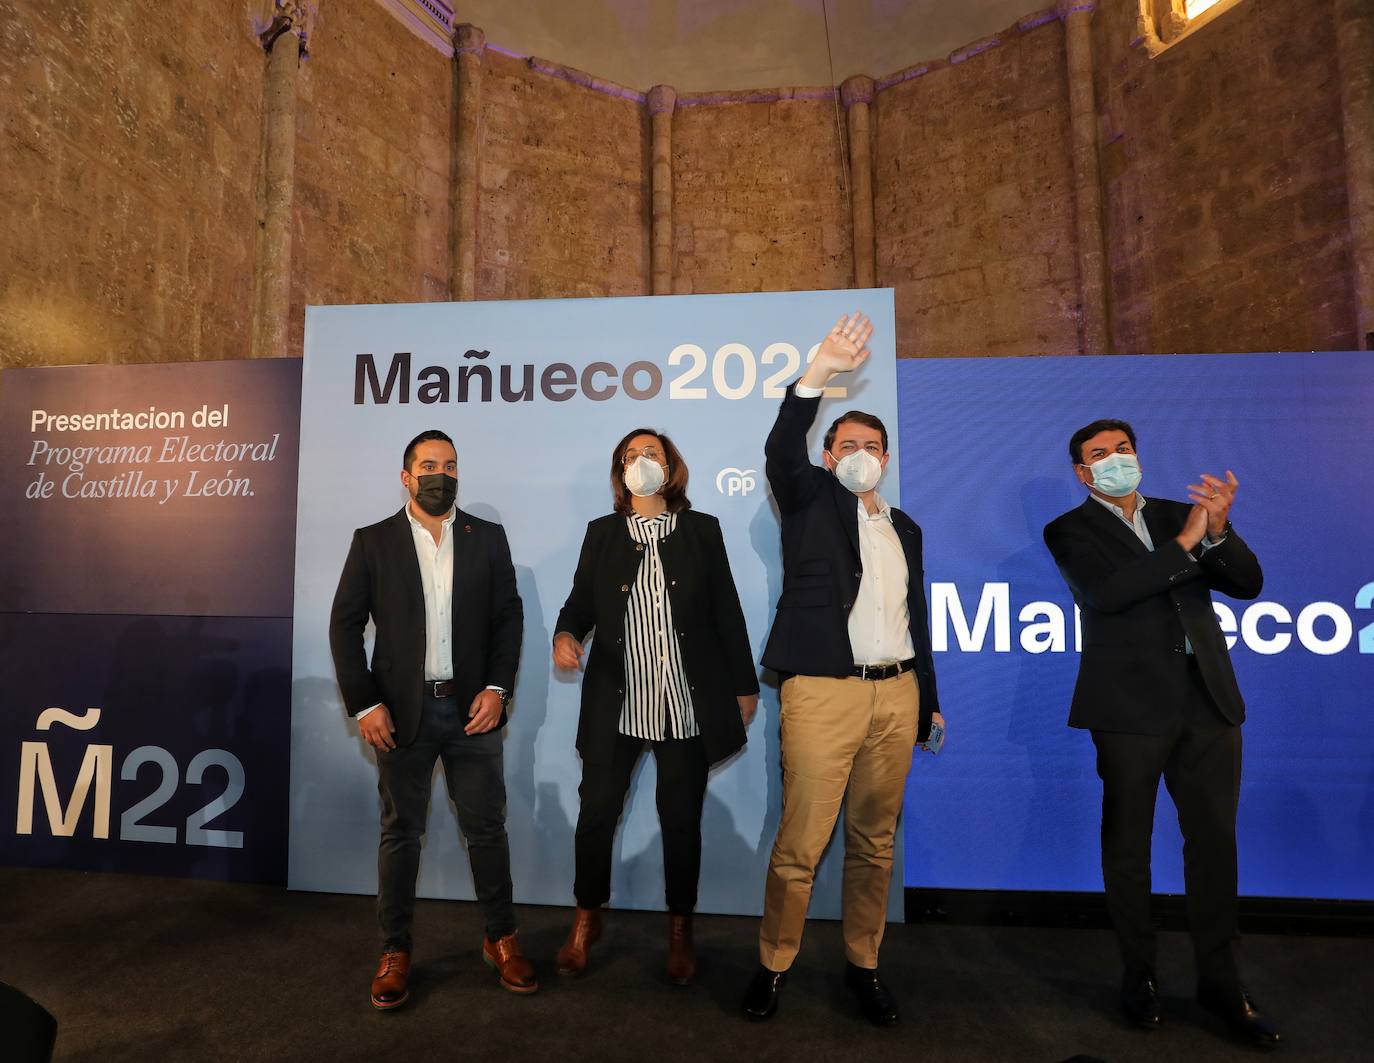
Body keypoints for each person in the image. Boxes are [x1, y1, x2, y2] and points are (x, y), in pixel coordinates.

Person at [1042, 419, 1280, 1048]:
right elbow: (1110, 593)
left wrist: (1218, 530)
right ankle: (1139, 977)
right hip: (1127, 711)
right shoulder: (1069, 530)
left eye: (1123, 449)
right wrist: (1185, 547)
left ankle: (1224, 984)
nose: (1116, 459)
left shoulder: (1184, 512)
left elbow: (1248, 584)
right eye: (1100, 455)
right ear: (1082, 472)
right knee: (1128, 849)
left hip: (1207, 703)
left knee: (1214, 845)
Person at [741, 313, 943, 1027]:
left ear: (887, 459)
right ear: (828, 456)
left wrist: (929, 701)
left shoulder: (905, 526)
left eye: (873, 445)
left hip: (898, 694)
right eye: (848, 443)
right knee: (801, 842)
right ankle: (772, 964)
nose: (862, 453)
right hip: (823, 691)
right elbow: (778, 449)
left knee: (874, 840)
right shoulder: (809, 501)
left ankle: (865, 962)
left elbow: (915, 620)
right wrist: (816, 374)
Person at [329, 429, 534, 1010]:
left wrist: (498, 688)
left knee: (487, 830)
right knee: (401, 835)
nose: (439, 473)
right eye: (427, 465)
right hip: (401, 715)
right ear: (406, 476)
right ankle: (395, 951)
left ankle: (502, 939)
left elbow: (508, 618)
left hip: (475, 712)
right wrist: (365, 704)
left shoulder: (487, 538)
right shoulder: (373, 542)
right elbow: (344, 626)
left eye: (449, 464)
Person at [552, 428, 759, 984]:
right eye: (631, 455)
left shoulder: (701, 530)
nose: (641, 462)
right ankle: (585, 920)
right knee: (596, 814)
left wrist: (745, 685)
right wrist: (566, 633)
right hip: (617, 702)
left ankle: (680, 930)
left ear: (672, 467)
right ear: (619, 471)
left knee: (681, 821)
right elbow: (578, 602)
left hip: (684, 702)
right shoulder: (602, 533)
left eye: (653, 454)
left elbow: (727, 612)